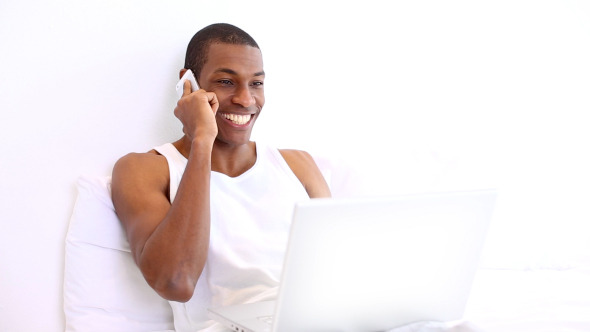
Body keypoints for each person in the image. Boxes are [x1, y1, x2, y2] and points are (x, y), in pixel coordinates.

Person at [111, 23, 331, 331]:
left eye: (256, 84)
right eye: (227, 81)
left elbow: (338, 271)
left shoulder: (298, 165)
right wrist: (202, 139)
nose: (245, 99)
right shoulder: (146, 169)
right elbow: (176, 282)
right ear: (188, 83)